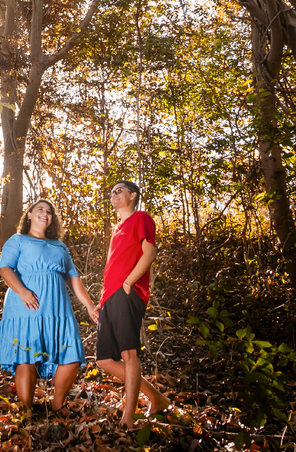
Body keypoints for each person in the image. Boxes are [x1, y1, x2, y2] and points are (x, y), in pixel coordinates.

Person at [0, 199, 100, 412]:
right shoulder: (18, 240)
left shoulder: (60, 246)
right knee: (26, 357)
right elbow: (4, 269)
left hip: (57, 309)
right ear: (29, 215)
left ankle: (57, 406)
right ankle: (27, 410)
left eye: (49, 211)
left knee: (71, 356)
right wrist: (22, 291)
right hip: (26, 307)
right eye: (40, 209)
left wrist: (88, 305)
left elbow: (73, 278)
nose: (45, 213)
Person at [96, 179, 170, 427]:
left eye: (119, 191)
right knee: (104, 359)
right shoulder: (116, 228)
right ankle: (157, 398)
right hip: (111, 295)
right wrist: (102, 297)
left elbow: (149, 253)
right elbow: (110, 266)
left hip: (129, 292)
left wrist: (128, 282)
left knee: (129, 354)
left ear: (133, 195)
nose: (114, 195)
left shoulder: (141, 218)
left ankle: (129, 416)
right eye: (112, 192)